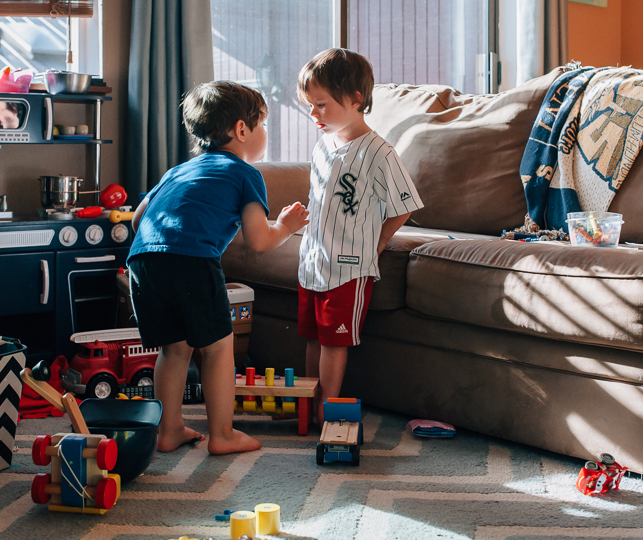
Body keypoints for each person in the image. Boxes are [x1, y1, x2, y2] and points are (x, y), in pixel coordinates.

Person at [128, 81, 309, 455]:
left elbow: (138, 219)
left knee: (173, 349)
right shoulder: (245, 174)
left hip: (143, 261)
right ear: (242, 130)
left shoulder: (177, 171)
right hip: (192, 263)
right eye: (262, 125)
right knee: (218, 348)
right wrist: (287, 226)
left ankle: (169, 430)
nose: (263, 134)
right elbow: (259, 241)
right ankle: (223, 435)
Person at [296, 48, 424, 426]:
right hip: (312, 262)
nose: (313, 114)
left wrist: (379, 243)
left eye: (321, 105)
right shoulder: (323, 145)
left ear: (355, 99)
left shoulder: (379, 153)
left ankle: (326, 408)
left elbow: (404, 204)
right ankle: (308, 400)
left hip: (348, 269)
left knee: (335, 340)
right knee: (311, 335)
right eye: (310, 106)